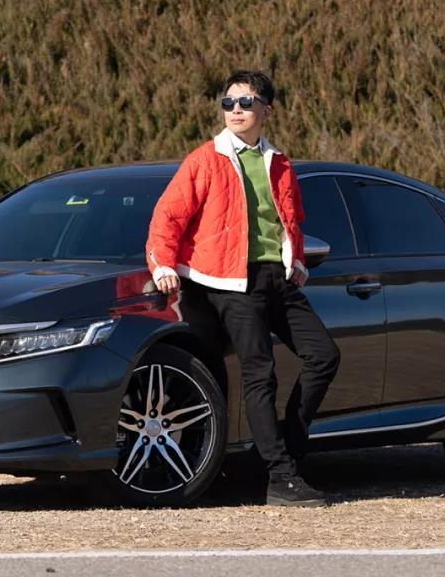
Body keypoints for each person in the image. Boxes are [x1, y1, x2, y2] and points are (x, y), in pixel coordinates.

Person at [145, 70, 342, 507]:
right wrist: (162, 265)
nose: (235, 110)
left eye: (246, 102)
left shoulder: (280, 163)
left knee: (324, 356)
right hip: (230, 281)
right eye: (228, 102)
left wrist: (297, 261)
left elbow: (289, 220)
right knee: (260, 372)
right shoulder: (205, 160)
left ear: (266, 110)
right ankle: (280, 477)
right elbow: (167, 217)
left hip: (278, 280)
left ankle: (284, 446)